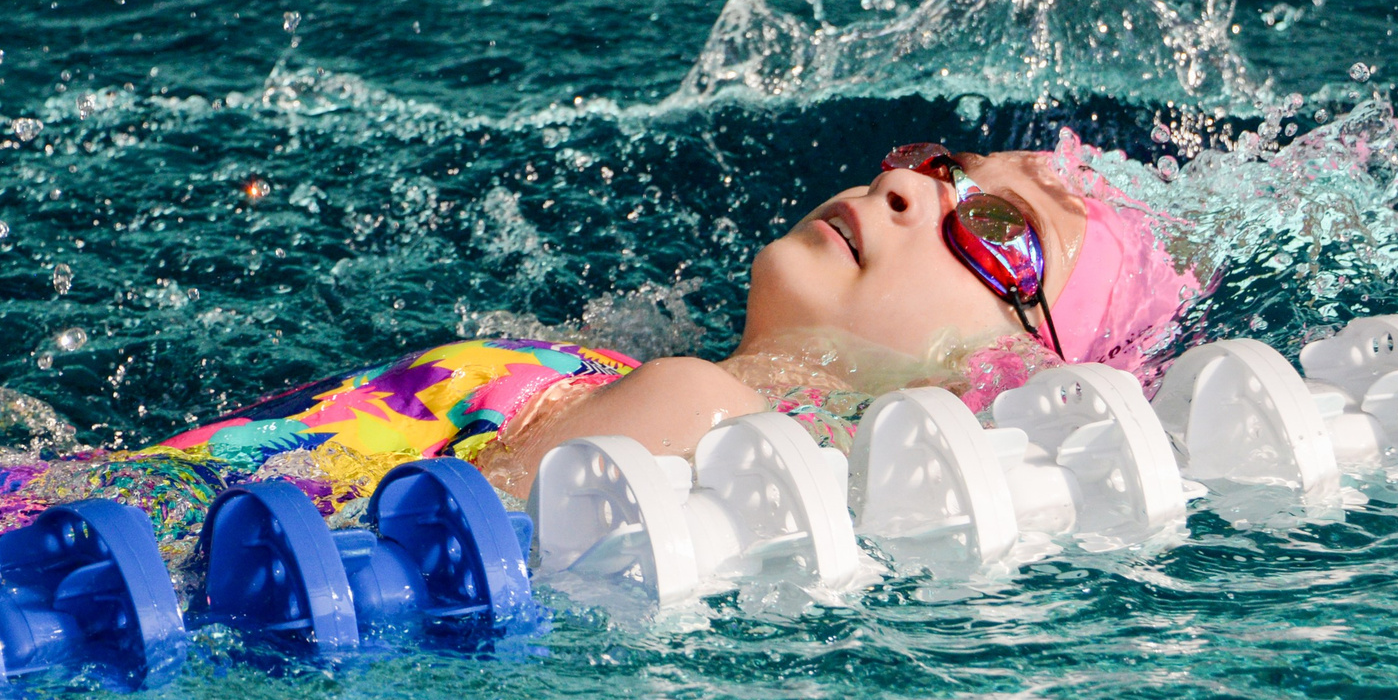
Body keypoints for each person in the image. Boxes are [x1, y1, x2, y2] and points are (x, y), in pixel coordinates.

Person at [146, 132, 1203, 503]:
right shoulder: (632, 370)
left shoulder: (692, 404)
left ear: (1003, 373)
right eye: (939, 166)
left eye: (998, 231)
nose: (913, 191)